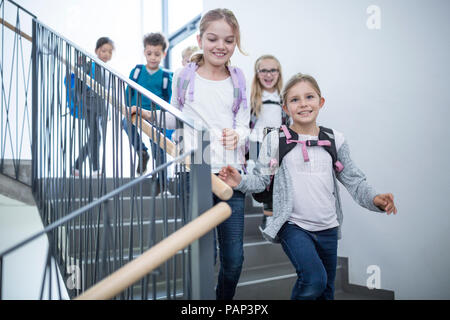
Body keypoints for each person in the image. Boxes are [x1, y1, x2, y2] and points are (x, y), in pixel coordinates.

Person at [218, 72, 397, 300]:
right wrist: (239, 181)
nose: (303, 104)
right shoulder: (275, 140)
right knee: (314, 280)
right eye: (294, 100)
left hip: (328, 227)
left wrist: (374, 199)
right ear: (285, 107)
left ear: (320, 102)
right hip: (293, 225)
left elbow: (354, 181)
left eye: (309, 97)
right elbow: (262, 180)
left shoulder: (335, 139)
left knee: (326, 291)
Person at [128, 8, 250, 300]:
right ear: (200, 39)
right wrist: (145, 113)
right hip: (192, 173)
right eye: (213, 38)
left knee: (234, 261)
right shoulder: (184, 76)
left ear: (235, 43)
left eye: (229, 40)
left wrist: (240, 135)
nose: (221, 46)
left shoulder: (238, 78)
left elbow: (244, 123)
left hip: (230, 176)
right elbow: (173, 119)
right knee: (204, 256)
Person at [122, 32, 173, 176]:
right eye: (149, 53)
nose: (153, 57)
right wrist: (126, 107)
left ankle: (162, 185)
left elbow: (169, 99)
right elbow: (129, 90)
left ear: (164, 54)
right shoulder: (137, 71)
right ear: (145, 52)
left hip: (156, 116)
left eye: (157, 54)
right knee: (126, 124)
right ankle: (141, 151)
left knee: (159, 150)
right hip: (135, 112)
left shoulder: (165, 77)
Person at [73, 37, 114, 177]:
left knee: (95, 138)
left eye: (110, 51)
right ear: (96, 51)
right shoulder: (89, 65)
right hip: (90, 106)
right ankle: (95, 169)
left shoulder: (108, 70)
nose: (106, 54)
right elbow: (79, 85)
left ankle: (77, 166)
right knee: (96, 137)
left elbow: (107, 92)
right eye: (103, 51)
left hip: (101, 108)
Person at [248, 54, 288, 154]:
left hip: (278, 145)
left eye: (273, 70)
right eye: (263, 71)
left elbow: (288, 124)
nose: (268, 75)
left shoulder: (284, 99)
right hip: (256, 144)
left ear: (279, 73)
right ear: (257, 74)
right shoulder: (251, 98)